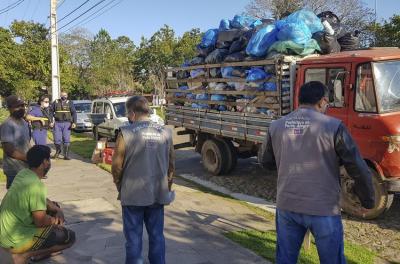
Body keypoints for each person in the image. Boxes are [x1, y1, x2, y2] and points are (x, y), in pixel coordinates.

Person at [259, 81, 375, 264]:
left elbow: (265, 162)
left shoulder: (276, 126)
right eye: (327, 104)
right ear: (322, 102)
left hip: (287, 205)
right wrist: (368, 200)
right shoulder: (334, 126)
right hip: (323, 209)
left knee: (285, 259)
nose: (326, 107)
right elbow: (357, 167)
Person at [112, 96, 175, 264]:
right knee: (157, 236)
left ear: (132, 113)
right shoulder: (165, 133)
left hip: (133, 194)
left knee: (133, 239)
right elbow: (171, 166)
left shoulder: (125, 133)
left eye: (127, 114)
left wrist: (120, 186)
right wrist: (167, 187)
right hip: (157, 193)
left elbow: (116, 166)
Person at [0, 145, 75, 264]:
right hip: (14, 239)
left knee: (53, 206)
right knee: (68, 237)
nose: (49, 163)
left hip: (4, 233)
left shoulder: (23, 173)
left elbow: (42, 200)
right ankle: (23, 256)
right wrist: (55, 221)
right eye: (48, 160)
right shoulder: (36, 186)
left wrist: (56, 209)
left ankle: (38, 253)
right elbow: (40, 221)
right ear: (45, 162)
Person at [0, 95, 31, 189]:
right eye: (17, 106)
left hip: (25, 167)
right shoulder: (7, 125)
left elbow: (26, 142)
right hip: (14, 170)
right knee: (16, 199)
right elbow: (9, 150)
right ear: (9, 108)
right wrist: (28, 158)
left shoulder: (24, 122)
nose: (21, 108)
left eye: (22, 106)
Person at [51, 91, 77, 160]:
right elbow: (50, 111)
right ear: (60, 95)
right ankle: (58, 151)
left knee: (66, 139)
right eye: (62, 95)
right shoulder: (55, 102)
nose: (64, 96)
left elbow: (74, 113)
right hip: (57, 123)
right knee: (56, 139)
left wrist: (74, 122)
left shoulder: (70, 103)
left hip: (67, 123)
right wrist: (51, 121)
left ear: (67, 96)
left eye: (65, 95)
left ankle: (66, 155)